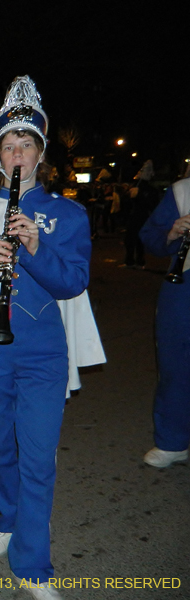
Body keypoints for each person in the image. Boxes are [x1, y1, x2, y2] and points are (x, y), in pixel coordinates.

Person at [0, 76, 105, 599]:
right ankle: (10, 515)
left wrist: (35, 246)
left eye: (26, 145)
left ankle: (33, 565)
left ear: (40, 153)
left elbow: (73, 281)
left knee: (37, 456)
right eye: (9, 146)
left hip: (44, 352)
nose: (17, 155)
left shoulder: (68, 214)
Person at [139, 166, 190, 468]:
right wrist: (172, 233)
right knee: (176, 364)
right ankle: (172, 441)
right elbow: (150, 236)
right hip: (185, 287)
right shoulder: (182, 190)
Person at [120, 159, 158, 268]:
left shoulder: (147, 190)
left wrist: (138, 196)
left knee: (132, 239)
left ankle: (133, 261)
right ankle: (137, 261)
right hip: (140, 217)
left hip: (139, 217)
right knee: (136, 240)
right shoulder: (142, 189)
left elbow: (152, 204)